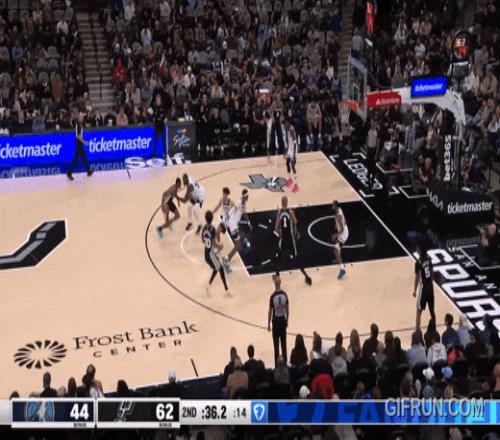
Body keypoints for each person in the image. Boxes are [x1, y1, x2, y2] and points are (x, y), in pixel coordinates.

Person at [274, 195, 312, 285]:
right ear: (287, 203)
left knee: (278, 257)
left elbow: (276, 227)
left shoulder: (279, 212)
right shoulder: (290, 211)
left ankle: (277, 275)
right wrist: (296, 232)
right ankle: (306, 276)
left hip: (283, 239)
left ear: (281, 203)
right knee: (296, 258)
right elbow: (295, 222)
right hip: (290, 239)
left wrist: (279, 233)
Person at [222, 189, 251, 273]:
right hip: (232, 225)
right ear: (245, 196)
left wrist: (248, 222)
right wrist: (227, 220)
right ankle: (226, 259)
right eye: (247, 196)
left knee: (239, 240)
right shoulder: (240, 202)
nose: (248, 197)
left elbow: (244, 212)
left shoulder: (243, 203)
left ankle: (243, 239)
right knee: (238, 246)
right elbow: (233, 210)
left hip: (233, 224)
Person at [202, 210, 229, 296]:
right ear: (212, 218)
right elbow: (214, 243)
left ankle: (209, 285)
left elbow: (203, 240)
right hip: (211, 255)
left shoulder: (204, 228)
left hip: (206, 253)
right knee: (220, 269)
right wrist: (220, 246)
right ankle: (226, 290)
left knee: (217, 268)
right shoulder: (212, 229)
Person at [413, 242, 436, 329]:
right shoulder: (429, 258)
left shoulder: (418, 262)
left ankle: (417, 330)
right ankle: (434, 327)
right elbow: (432, 271)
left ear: (420, 249)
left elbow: (417, 277)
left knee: (419, 310)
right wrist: (431, 281)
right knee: (432, 310)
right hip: (430, 288)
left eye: (417, 248)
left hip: (423, 289)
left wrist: (415, 290)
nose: (416, 249)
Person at [268, 273, 289, 366]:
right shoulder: (285, 295)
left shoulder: (273, 296)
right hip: (282, 319)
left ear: (275, 283)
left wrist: (268, 323)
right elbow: (287, 310)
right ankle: (285, 364)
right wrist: (287, 320)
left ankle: (277, 366)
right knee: (284, 344)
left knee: (276, 345)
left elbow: (270, 311)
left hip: (276, 321)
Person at [67, 112, 93, 180]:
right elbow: (78, 136)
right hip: (79, 143)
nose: (83, 118)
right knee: (76, 159)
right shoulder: (78, 125)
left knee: (84, 158)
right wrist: (84, 142)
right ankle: (69, 173)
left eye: (83, 117)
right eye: (82, 117)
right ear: (80, 117)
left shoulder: (80, 124)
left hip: (80, 143)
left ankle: (88, 171)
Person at [332, 200, 348, 279]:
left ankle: (342, 270)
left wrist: (335, 235)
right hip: (344, 231)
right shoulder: (339, 210)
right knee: (337, 247)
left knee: (335, 250)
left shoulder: (338, 215)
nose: (332, 207)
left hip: (343, 234)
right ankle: (338, 258)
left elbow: (341, 230)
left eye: (333, 205)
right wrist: (336, 225)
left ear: (336, 206)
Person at [283, 119, 299, 192]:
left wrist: (294, 155)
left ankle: (296, 185)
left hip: (294, 150)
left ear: (289, 123)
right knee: (287, 163)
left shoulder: (291, 130)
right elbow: (289, 142)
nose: (284, 126)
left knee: (292, 166)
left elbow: (295, 143)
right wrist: (287, 152)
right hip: (290, 149)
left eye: (285, 124)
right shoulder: (288, 129)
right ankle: (290, 179)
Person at [366, 118, 379, 188]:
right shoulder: (369, 130)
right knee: (368, 164)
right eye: (371, 122)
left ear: (374, 123)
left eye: (372, 122)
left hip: (374, 150)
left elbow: (378, 143)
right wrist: (366, 150)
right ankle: (368, 176)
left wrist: (376, 154)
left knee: (373, 165)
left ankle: (373, 178)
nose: (371, 124)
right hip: (369, 149)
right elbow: (367, 139)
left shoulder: (377, 132)